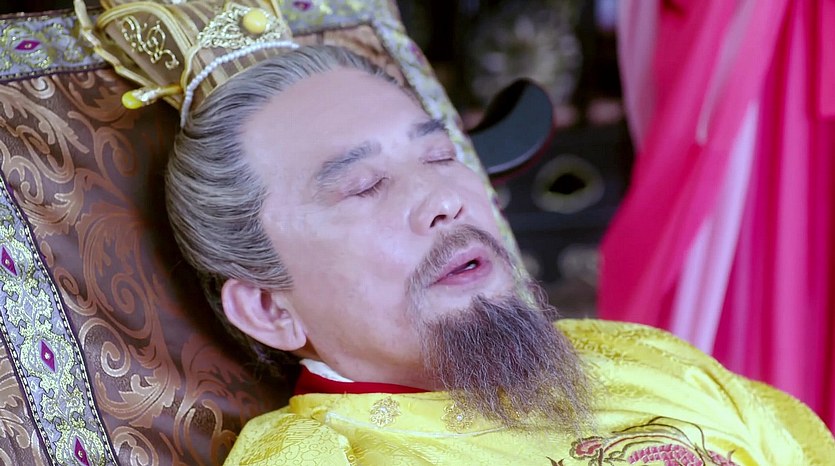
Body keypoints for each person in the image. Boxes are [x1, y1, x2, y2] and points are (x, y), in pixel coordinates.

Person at [78, 2, 834, 464]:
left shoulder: (641, 357)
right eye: (363, 185)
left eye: (442, 155)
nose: (445, 199)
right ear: (271, 309)